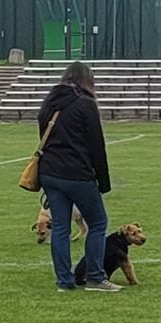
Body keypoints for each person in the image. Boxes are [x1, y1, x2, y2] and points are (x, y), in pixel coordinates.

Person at [36, 62, 116, 293]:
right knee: (98, 222)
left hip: (50, 172)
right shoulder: (86, 104)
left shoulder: (49, 102)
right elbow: (96, 146)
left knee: (60, 227)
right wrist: (103, 181)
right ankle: (95, 277)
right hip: (77, 173)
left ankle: (64, 280)